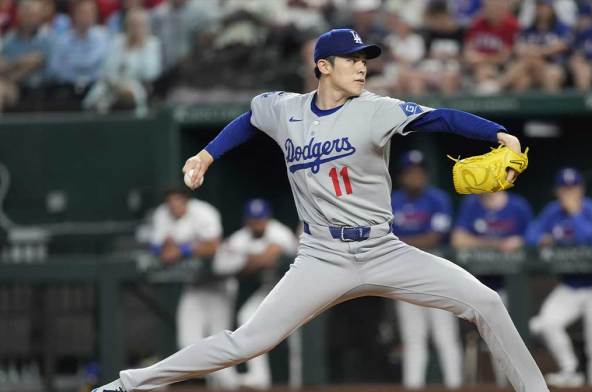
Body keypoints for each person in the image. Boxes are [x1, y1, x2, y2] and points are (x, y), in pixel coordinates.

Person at [93, 28, 549, 392]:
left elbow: (440, 117)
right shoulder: (285, 110)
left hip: (384, 249)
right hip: (321, 256)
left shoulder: (376, 110)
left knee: (486, 303)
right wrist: (206, 156)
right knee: (247, 342)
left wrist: (498, 133)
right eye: (351, 60)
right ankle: (126, 386)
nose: (361, 67)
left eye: (364, 59)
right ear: (322, 66)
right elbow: (249, 119)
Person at [525, 168, 592, 387]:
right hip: (570, 286)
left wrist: (575, 214)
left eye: (573, 188)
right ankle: (570, 370)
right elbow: (530, 235)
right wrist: (542, 239)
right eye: (564, 189)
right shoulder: (553, 211)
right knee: (547, 323)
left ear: (581, 189)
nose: (569, 193)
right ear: (557, 191)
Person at [148, 187, 235, 389]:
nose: (174, 206)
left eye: (177, 201)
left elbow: (213, 245)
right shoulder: (162, 214)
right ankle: (213, 382)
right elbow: (155, 245)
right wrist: (165, 249)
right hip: (194, 286)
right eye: (170, 202)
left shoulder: (204, 212)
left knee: (222, 342)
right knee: (187, 341)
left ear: (186, 201)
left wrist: (182, 249)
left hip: (218, 285)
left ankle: (229, 386)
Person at [390, 150, 462, 390]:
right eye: (411, 172)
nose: (416, 176)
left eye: (420, 172)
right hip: (404, 273)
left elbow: (435, 237)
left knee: (444, 335)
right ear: (402, 176)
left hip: (435, 270)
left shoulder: (438, 199)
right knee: (413, 337)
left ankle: (455, 385)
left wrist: (401, 242)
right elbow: (384, 237)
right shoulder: (392, 200)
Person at [213, 198, 298, 389]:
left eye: (260, 219)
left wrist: (252, 259)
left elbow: (283, 255)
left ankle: (300, 382)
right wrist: (254, 259)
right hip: (270, 289)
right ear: (246, 220)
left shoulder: (280, 232)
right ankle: (259, 377)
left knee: (296, 335)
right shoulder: (240, 237)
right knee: (246, 316)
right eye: (253, 219)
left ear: (268, 218)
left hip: (294, 289)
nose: (257, 223)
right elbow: (220, 263)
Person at [451, 190, 532, 386]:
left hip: (511, 288)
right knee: (492, 340)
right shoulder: (471, 204)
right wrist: (497, 244)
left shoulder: (518, 205)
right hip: (476, 286)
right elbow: (458, 240)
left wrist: (520, 242)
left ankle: (511, 386)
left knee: (509, 341)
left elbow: (533, 236)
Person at [82, 7, 162, 115]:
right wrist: (117, 84)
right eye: (133, 24)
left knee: (128, 96)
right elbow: (107, 68)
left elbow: (151, 73)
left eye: (140, 25)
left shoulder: (152, 44)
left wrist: (140, 45)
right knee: (97, 97)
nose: (136, 28)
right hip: (112, 85)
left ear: (146, 26)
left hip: (138, 87)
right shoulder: (117, 41)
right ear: (126, 25)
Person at [502, 0, 571, 92]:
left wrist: (537, 51)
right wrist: (537, 51)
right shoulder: (528, 29)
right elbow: (519, 48)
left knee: (551, 74)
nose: (541, 10)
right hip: (531, 68)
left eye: (544, 7)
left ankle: (497, 86)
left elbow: (562, 46)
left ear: (551, 9)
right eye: (538, 7)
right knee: (522, 80)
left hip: (554, 65)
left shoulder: (561, 27)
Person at [0, 0, 51, 111]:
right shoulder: (10, 38)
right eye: (25, 13)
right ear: (19, 15)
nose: (28, 17)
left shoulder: (47, 36)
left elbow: (36, 61)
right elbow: (2, 66)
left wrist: (11, 68)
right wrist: (21, 61)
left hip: (41, 88)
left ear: (40, 16)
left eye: (32, 14)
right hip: (13, 88)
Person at [463, 0, 519, 94]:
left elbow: (505, 56)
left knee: (520, 74)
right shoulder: (478, 23)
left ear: (503, 10)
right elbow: (468, 50)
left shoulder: (512, 25)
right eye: (489, 8)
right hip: (479, 65)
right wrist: (477, 58)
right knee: (483, 70)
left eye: (496, 8)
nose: (492, 11)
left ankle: (494, 90)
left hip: (504, 66)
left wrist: (482, 58)